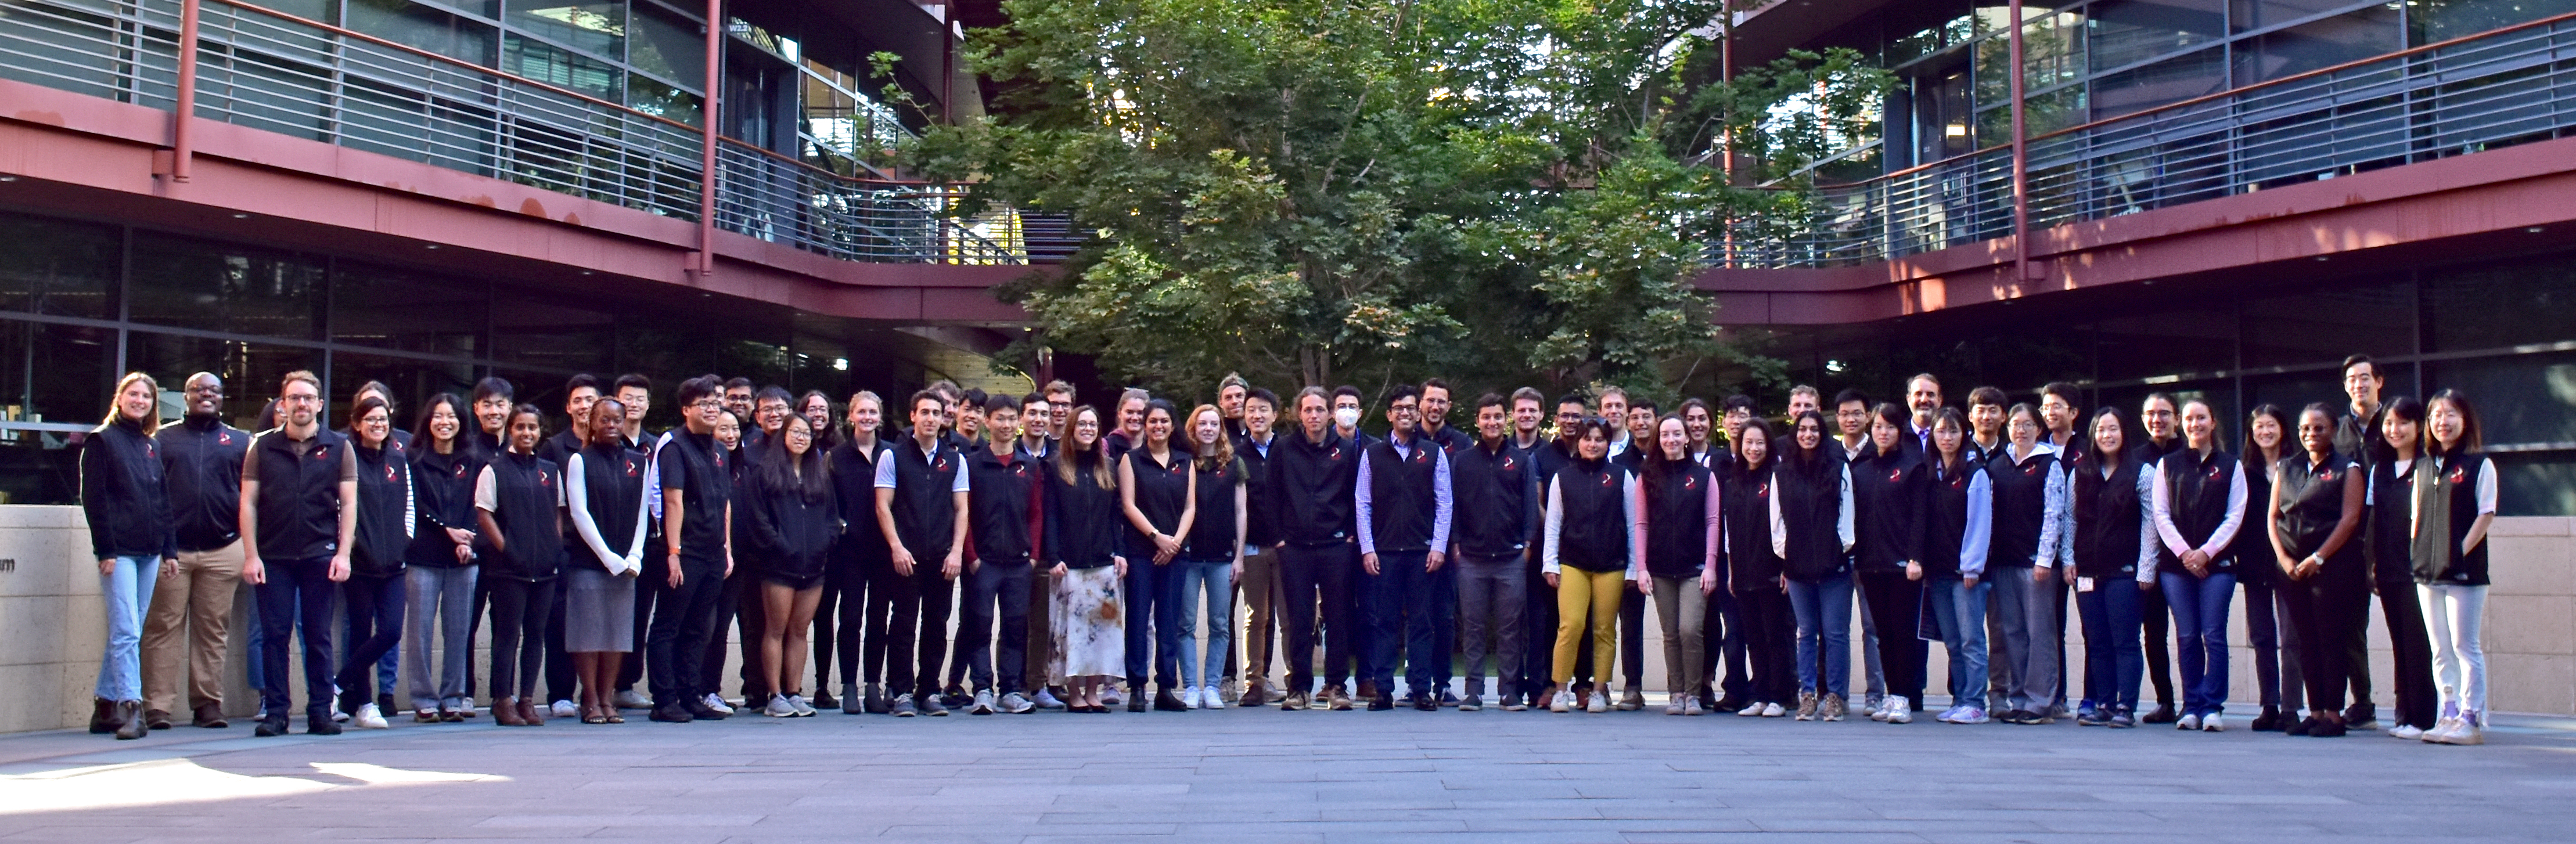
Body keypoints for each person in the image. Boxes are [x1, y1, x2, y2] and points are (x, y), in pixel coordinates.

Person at [241, 370, 358, 737]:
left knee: (319, 635)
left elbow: (350, 503)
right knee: (275, 636)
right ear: (283, 404)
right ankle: (276, 712)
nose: (301, 404)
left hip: (319, 554)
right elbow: (248, 504)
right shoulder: (261, 446)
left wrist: (343, 554)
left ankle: (321, 711)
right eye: (294, 398)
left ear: (320, 405)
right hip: (273, 556)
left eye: (308, 398)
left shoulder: (339, 447)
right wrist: (251, 555)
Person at [147, 372, 251, 730]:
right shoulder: (163, 439)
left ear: (223, 398)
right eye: (198, 390)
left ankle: (208, 704)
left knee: (213, 630)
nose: (206, 395)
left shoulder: (241, 443)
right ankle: (157, 706)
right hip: (171, 553)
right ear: (186, 396)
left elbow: (253, 498)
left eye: (214, 390)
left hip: (224, 550)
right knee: (163, 628)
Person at [81, 372, 175, 741]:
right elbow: (95, 501)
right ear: (119, 398)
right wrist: (105, 549)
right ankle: (131, 708)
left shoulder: (150, 445)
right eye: (133, 394)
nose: (140, 401)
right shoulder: (101, 442)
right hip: (118, 553)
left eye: (147, 397)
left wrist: (169, 550)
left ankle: (104, 706)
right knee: (126, 631)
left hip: (150, 552)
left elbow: (163, 501)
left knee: (129, 629)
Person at [2148, 398, 2248, 733]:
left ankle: (2212, 707)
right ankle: (2191, 705)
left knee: (2214, 634)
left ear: (2213, 422)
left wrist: (2206, 552)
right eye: (2189, 419)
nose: (2195, 424)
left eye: (2201, 418)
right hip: (2176, 567)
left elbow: (2235, 515)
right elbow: (2160, 514)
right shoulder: (2168, 465)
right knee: (2187, 635)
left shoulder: (2231, 466)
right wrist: (2185, 554)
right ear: (2180, 422)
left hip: (2218, 566)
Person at [2271, 403, 2368, 738]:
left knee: (2331, 639)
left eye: (2319, 428)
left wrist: (2320, 557)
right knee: (2304, 639)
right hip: (2292, 568)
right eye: (2305, 428)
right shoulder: (2288, 467)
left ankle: (2333, 714)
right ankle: (2314, 711)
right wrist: (2284, 560)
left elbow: (2350, 519)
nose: (2311, 434)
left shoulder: (2347, 469)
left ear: (2332, 430)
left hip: (2332, 568)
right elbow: (2273, 517)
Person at [1355, 385, 1454, 711]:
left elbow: (1444, 503)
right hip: (1383, 553)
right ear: (1389, 414)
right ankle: (1383, 689)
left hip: (1422, 553)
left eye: (1411, 408)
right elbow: (1363, 503)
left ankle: (1421, 688)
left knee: (1422, 622)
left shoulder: (1434, 454)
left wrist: (1438, 546)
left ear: (1419, 412)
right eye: (1399, 408)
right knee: (1383, 622)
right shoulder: (1372, 454)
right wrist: (1368, 549)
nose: (1406, 413)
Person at [646, 376, 737, 724]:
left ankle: (691, 694)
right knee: (669, 624)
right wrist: (673, 551)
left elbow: (724, 502)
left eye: (716, 404)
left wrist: (727, 548)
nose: (712, 410)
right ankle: (665, 700)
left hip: (714, 551)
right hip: (684, 551)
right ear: (686, 410)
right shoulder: (674, 446)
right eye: (704, 404)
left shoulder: (718, 450)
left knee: (700, 627)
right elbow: (672, 501)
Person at [876, 389, 972, 717]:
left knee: (936, 625)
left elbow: (961, 510)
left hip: (942, 557)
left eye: (936, 412)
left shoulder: (955, 460)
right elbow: (883, 505)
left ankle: (929, 689)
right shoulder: (893, 456)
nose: (931, 418)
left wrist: (957, 551)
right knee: (903, 624)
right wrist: (896, 547)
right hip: (907, 557)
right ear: (913, 416)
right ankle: (901, 690)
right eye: (925, 412)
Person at [1271, 386, 1362, 711]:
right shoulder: (1283, 449)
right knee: (1299, 618)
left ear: (1330, 414)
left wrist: (1351, 534)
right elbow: (1272, 495)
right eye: (1307, 410)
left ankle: (1337, 686)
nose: (1314, 415)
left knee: (1338, 616)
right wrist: (1279, 538)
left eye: (1320, 410)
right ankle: (1299, 688)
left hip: (1336, 545)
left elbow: (1358, 496)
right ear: (1299, 414)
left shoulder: (1347, 450)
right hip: (1295, 546)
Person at [1541, 417, 1636, 713]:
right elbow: (1554, 523)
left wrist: (1633, 567)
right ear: (1578, 442)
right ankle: (1560, 689)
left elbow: (1633, 525)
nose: (1592, 444)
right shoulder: (1563, 478)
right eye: (1587, 439)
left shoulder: (1622, 476)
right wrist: (1550, 563)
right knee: (1571, 625)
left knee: (1605, 629)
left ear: (1608, 443)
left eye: (1598, 439)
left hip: (1612, 563)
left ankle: (1599, 690)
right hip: (1573, 562)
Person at [476, 405, 563, 727]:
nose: (527, 433)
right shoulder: (494, 469)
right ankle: (503, 700)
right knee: (508, 634)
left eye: (533, 428)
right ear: (511, 430)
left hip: (545, 568)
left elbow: (558, 510)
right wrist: (507, 549)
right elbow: (484, 513)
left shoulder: (550, 470)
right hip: (509, 569)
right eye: (521, 427)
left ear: (541, 432)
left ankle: (527, 699)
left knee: (536, 634)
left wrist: (554, 548)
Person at [2416, 390, 2495, 745]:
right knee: (2440, 648)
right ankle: (2446, 712)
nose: (2442, 422)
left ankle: (2470, 717)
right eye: (2436, 415)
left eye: (2450, 415)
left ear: (2465, 421)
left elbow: (2486, 513)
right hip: (2427, 573)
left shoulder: (2480, 465)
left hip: (2464, 573)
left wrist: (2458, 554)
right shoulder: (2424, 466)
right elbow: (2417, 518)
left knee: (2466, 645)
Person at [743, 412, 834, 718]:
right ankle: (775, 694)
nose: (801, 438)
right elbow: (758, 519)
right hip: (778, 566)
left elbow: (832, 518)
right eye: (795, 432)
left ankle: (794, 692)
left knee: (799, 631)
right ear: (783, 435)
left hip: (814, 567)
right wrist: (780, 545)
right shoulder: (765, 473)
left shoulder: (819, 474)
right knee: (776, 630)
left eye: (806, 434)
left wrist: (825, 543)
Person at [957, 394, 1043, 715]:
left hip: (1019, 563)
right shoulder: (972, 464)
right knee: (979, 625)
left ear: (1018, 423)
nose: (1006, 425)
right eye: (1000, 419)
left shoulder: (1029, 465)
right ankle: (982, 689)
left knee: (1015, 627)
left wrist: (1033, 555)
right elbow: (962, 512)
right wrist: (971, 556)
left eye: (1011, 419)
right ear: (986, 421)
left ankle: (1010, 689)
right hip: (984, 563)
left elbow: (1036, 513)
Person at [1449, 393, 1535, 712]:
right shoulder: (1463, 460)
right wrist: (1456, 544)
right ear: (1478, 422)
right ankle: (1473, 691)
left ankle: (1509, 691)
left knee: (1510, 627)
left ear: (1506, 420)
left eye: (1498, 417)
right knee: (1472, 626)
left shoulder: (1521, 461)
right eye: (1486, 417)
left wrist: (1526, 546)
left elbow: (1529, 508)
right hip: (1471, 558)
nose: (1492, 422)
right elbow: (1454, 505)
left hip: (1511, 558)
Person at [563, 399, 646, 724]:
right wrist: (609, 558)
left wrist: (635, 555)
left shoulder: (639, 462)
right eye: (604, 420)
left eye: (617, 420)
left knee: (617, 633)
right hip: (589, 561)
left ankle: (608, 696)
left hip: (627, 563)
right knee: (589, 633)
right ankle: (591, 698)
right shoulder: (579, 460)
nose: (611, 425)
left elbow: (643, 511)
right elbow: (579, 513)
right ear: (591, 423)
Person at [330, 396, 411, 731]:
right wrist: (346, 549)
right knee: (361, 633)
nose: (379, 425)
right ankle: (365, 704)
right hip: (359, 563)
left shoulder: (398, 458)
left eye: (384, 419)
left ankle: (335, 685)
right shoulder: (345, 457)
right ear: (357, 423)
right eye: (371, 420)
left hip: (393, 563)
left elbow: (410, 506)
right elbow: (339, 506)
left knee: (391, 631)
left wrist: (404, 542)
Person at [2071, 407, 2154, 728]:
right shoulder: (2081, 472)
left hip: (2126, 572)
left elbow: (2150, 523)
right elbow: (2070, 520)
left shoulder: (2142, 473)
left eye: (2114, 429)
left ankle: (2125, 705)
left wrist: (2146, 568)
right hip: (2087, 573)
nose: (2107, 436)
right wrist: (2069, 561)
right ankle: (2104, 702)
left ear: (2124, 434)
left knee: (2126, 641)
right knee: (2098, 641)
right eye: (2101, 430)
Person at [2363, 397, 2440, 739]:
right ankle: (2404, 713)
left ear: (2419, 427)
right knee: (2400, 643)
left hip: (2419, 571)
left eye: (2403, 423)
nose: (2394, 430)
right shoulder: (2379, 471)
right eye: (2388, 424)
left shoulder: (2428, 467)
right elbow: (2372, 521)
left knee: (2419, 643)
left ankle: (2423, 717)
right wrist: (2372, 566)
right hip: (2389, 570)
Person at [1984, 403, 2066, 726]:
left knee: (2039, 632)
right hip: (2004, 561)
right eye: (2016, 424)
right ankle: (2018, 697)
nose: (2021, 430)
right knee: (2013, 632)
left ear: (2039, 429)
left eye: (2028, 424)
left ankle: (2040, 700)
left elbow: (2054, 514)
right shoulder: (1998, 465)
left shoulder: (2050, 464)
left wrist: (2045, 558)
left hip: (2037, 564)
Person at [402, 394, 480, 723]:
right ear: (427, 421)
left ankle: (454, 696)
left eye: (451, 416)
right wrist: (446, 530)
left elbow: (482, 505)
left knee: (459, 630)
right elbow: (415, 506)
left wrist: (467, 537)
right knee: (420, 631)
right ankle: (423, 698)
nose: (444, 422)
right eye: (437, 415)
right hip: (424, 556)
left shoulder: (475, 461)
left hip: (464, 558)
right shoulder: (413, 460)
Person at [1637, 415, 1721, 716]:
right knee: (1670, 632)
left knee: (1690, 630)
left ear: (1687, 437)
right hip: (1660, 568)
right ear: (1658, 440)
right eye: (1664, 435)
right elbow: (1642, 524)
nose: (1670, 440)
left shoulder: (1703, 476)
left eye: (1676, 434)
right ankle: (1676, 692)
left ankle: (1694, 693)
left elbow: (1713, 522)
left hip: (1695, 568)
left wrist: (1710, 565)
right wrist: (1642, 567)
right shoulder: (1647, 476)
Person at [1851, 403, 1929, 724]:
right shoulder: (1861, 470)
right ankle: (1889, 695)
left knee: (1904, 633)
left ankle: (1903, 697)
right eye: (1878, 427)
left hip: (1903, 566)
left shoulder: (1913, 467)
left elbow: (1920, 517)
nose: (1883, 433)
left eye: (1890, 427)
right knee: (1881, 632)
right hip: (1871, 565)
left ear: (1900, 432)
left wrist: (1916, 558)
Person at [1046, 405, 1128, 713]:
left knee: (1101, 633)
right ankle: (1074, 693)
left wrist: (1119, 552)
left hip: (1104, 563)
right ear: (1071, 429)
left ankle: (1093, 691)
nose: (1088, 429)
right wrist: (1054, 556)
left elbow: (1115, 514)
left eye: (1093, 424)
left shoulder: (1107, 466)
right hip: (1071, 563)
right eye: (1081, 424)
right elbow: (1051, 514)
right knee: (1073, 633)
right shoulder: (1056, 467)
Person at [1775, 411, 1855, 721]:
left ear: (1823, 434)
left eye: (1814, 430)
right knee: (1806, 632)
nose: (1808, 434)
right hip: (1797, 567)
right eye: (1802, 429)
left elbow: (1847, 518)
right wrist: (1788, 555)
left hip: (1834, 564)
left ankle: (1835, 696)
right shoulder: (1782, 473)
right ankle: (1807, 694)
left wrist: (1840, 549)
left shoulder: (1839, 469)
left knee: (1835, 633)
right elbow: (1777, 522)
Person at [1118, 399, 1193, 712]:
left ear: (1172, 425)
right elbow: (1128, 505)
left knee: (1169, 620)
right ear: (1144, 425)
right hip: (1140, 552)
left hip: (1176, 553)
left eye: (1164, 421)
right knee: (1137, 618)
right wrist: (1156, 538)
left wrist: (1174, 542)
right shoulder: (1131, 460)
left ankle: (1165, 687)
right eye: (1153, 421)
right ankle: (1137, 686)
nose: (1158, 426)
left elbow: (1191, 507)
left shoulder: (1185, 461)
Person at [1921, 409, 1993, 725]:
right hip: (1937, 571)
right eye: (1941, 432)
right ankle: (1961, 698)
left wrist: (1972, 567)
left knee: (1971, 639)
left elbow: (1981, 523)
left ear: (1963, 434)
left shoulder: (1975, 472)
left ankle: (1976, 702)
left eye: (1953, 432)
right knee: (1951, 641)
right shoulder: (1930, 473)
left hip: (1965, 574)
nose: (1946, 438)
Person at [1175, 404, 1246, 709]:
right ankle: (1191, 686)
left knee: (1220, 624)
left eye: (1214, 423)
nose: (1208, 428)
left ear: (1221, 429)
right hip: (1188, 557)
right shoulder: (1182, 462)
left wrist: (1239, 555)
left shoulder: (1233, 464)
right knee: (1186, 624)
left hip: (1222, 557)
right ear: (1193, 427)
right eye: (1202, 423)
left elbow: (1242, 510)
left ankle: (1213, 686)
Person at [1724, 417, 1794, 718]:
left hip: (1772, 569)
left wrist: (1786, 567)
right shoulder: (1733, 482)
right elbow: (1729, 530)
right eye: (1748, 443)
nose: (1753, 448)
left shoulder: (1778, 477)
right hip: (1742, 570)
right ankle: (1761, 695)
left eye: (1759, 443)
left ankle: (1780, 695)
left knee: (1775, 634)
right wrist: (1730, 571)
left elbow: (1785, 526)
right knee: (1753, 636)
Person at [829, 391, 893, 713]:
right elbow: (829, 503)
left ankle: (873, 686)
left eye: (873, 412)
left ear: (880, 417)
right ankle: (849, 687)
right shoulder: (836, 457)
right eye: (862, 412)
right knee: (851, 617)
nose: (868, 417)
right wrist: (841, 527)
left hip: (883, 551)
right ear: (851, 416)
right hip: (850, 551)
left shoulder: (892, 455)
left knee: (878, 620)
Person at [2237, 405, 2298, 731]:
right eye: (2259, 426)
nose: (2265, 432)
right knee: (2261, 635)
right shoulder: (2244, 471)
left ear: (2283, 429)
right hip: (2253, 561)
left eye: (2271, 425)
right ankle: (2269, 704)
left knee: (2291, 636)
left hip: (2290, 562)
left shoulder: (2297, 467)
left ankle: (2291, 705)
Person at [1831, 388, 1886, 712]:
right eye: (1844, 414)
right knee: (1833, 629)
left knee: (1873, 628)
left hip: (1873, 555)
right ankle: (1835, 694)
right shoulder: (1831, 454)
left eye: (1857, 413)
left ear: (1868, 416)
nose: (1851, 419)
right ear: (1837, 418)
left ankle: (1876, 693)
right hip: (1834, 556)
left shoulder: (1880, 453)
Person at [606, 374, 659, 712]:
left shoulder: (656, 445)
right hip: (609, 546)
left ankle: (626, 684)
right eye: (628, 398)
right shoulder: (606, 442)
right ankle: (602, 687)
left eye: (641, 398)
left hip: (649, 545)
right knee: (610, 618)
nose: (634, 404)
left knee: (640, 617)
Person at [2131, 392, 2184, 725]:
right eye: (2151, 413)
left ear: (2176, 419)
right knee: (2154, 633)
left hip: (2188, 559)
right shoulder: (2136, 459)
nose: (2158, 420)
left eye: (2165, 414)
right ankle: (2165, 700)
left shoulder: (2191, 454)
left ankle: (2196, 700)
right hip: (2150, 560)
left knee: (2192, 633)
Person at [1234, 388, 1283, 707]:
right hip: (1251, 548)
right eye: (1251, 410)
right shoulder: (1237, 453)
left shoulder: (1289, 450)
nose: (1257, 416)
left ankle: (1296, 681)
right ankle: (1255, 682)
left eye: (1263, 410)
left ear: (1275, 415)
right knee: (1256, 617)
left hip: (1287, 547)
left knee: (1291, 617)